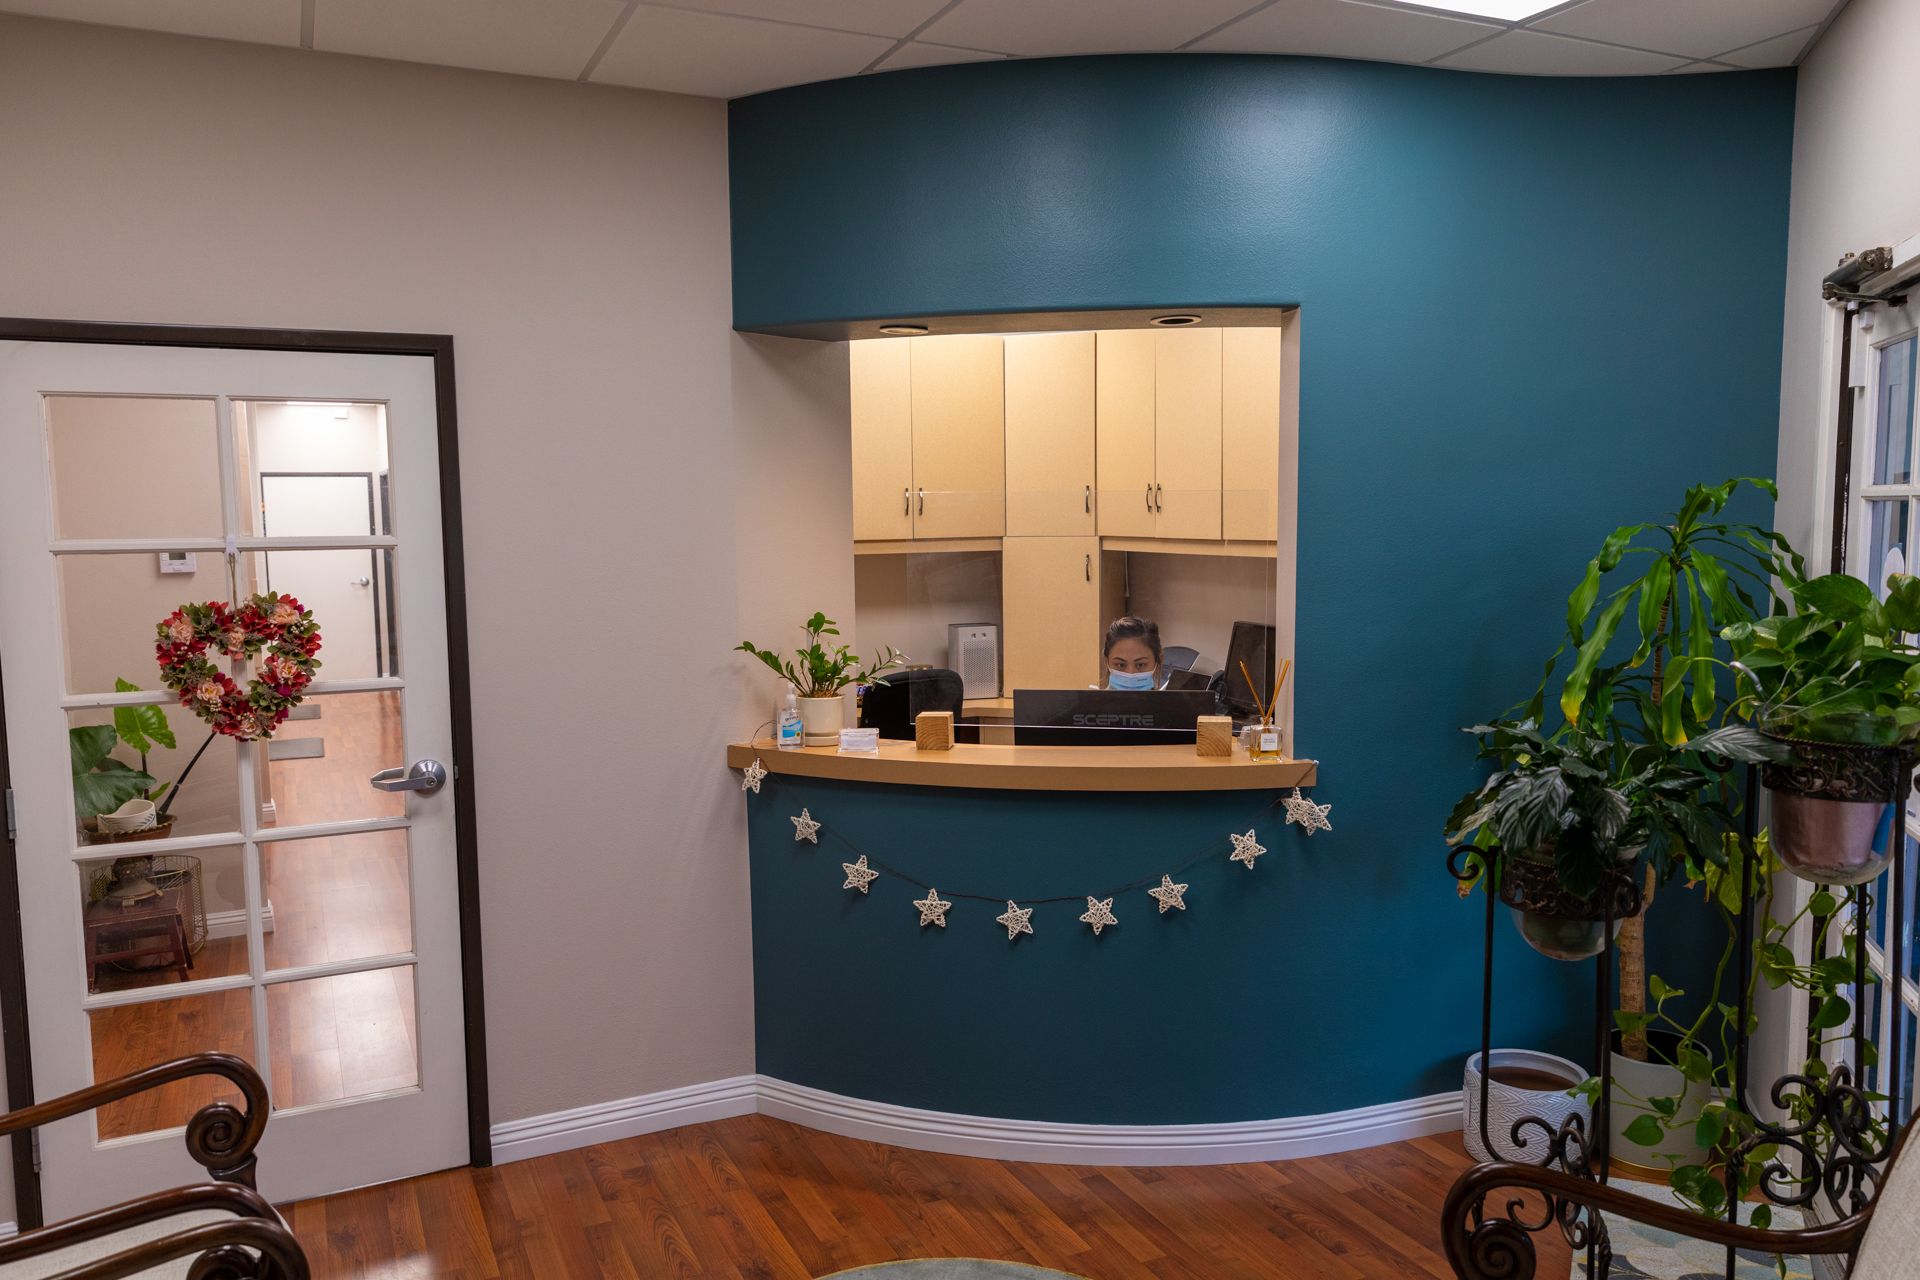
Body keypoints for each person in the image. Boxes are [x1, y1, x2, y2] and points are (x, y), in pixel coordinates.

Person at [1102, 616, 1163, 691]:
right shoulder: (1091, 702)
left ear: (1157, 663)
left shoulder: (1172, 702)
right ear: (1106, 661)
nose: (1130, 674)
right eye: (1120, 665)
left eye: (1140, 665)